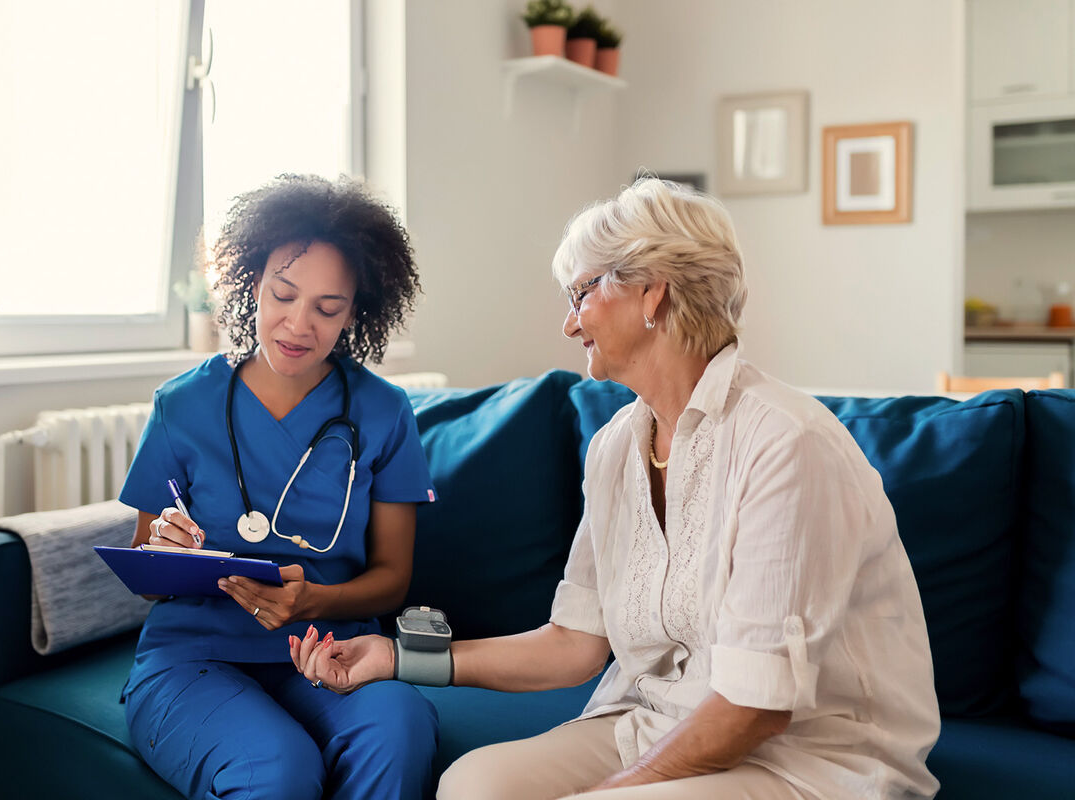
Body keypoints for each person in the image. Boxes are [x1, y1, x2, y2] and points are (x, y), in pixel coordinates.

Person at [289, 178, 941, 799]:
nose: (570, 325)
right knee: (472, 785)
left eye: (580, 295)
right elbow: (575, 644)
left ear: (651, 291)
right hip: (653, 724)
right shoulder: (615, 448)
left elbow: (755, 708)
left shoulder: (785, 444)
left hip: (807, 759)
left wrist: (606, 793)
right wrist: (397, 658)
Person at [118, 174, 439, 800]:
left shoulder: (383, 411)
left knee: (399, 730)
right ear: (251, 284)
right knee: (277, 767)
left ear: (358, 311)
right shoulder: (183, 405)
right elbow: (145, 573)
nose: (297, 325)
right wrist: (164, 548)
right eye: (282, 295)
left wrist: (313, 601)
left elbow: (393, 578)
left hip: (330, 650)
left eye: (328, 308)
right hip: (194, 657)